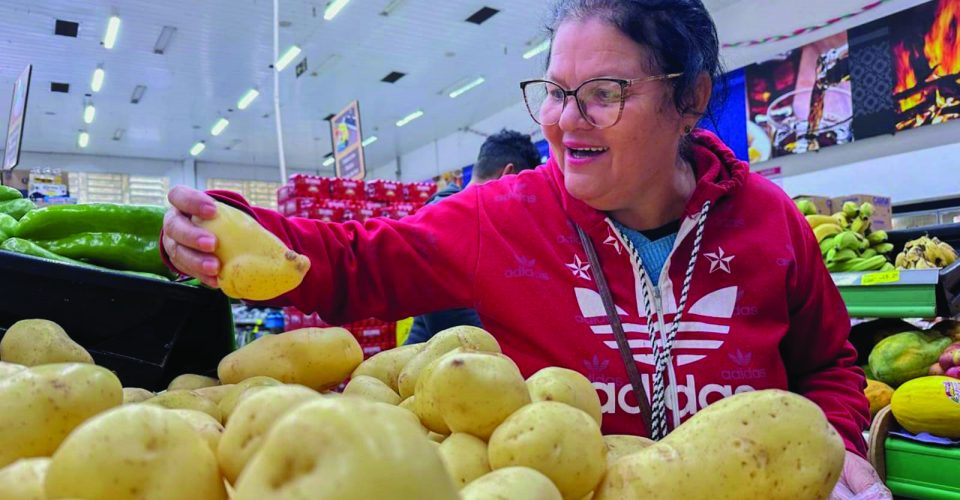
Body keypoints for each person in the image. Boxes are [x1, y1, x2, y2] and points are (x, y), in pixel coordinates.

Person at [161, 1, 887, 496]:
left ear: (691, 97)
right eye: (554, 89)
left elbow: (828, 363)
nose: (566, 120)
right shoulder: (502, 216)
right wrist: (219, 229)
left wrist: (843, 442)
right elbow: (358, 260)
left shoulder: (768, 220)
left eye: (603, 92)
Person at [405, 129, 543, 345]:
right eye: (523, 190)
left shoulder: (481, 222)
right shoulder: (447, 217)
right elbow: (452, 317)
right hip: (442, 367)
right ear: (508, 175)